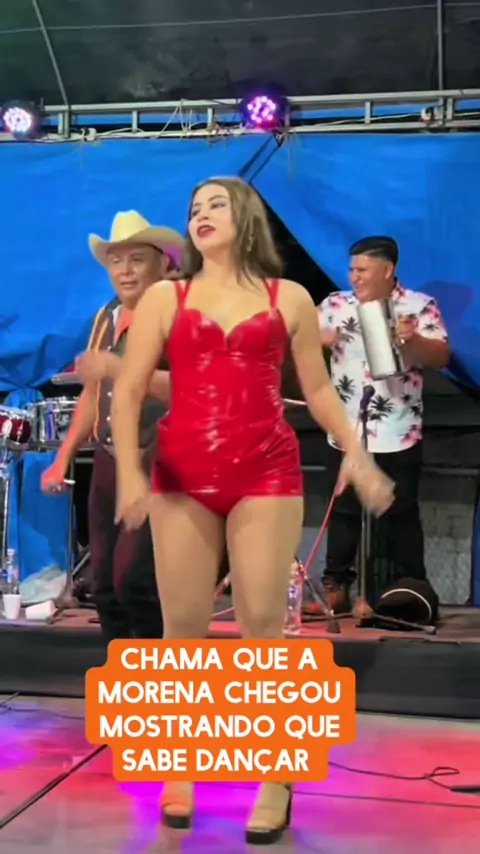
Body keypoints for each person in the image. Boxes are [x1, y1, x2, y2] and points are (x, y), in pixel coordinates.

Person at [110, 179, 394, 844]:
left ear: (246, 218)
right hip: (183, 471)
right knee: (182, 628)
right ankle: (178, 767)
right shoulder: (166, 297)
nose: (201, 215)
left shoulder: (286, 296)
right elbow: (128, 390)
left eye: (216, 204)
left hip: (265, 468)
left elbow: (316, 388)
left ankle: (276, 778)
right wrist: (127, 473)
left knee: (263, 626)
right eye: (194, 209)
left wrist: (356, 453)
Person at [41, 210, 184, 643]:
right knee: (102, 583)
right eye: (116, 260)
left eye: (137, 259)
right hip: (109, 458)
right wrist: (62, 458)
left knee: (135, 579)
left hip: (159, 457)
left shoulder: (180, 312)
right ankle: (125, 672)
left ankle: (158, 673)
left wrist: (121, 369)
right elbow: (92, 393)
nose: (124, 270)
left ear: (163, 263)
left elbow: (192, 387)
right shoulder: (106, 316)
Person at [310, 236, 450, 617]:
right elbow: (298, 340)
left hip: (398, 427)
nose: (353, 277)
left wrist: (412, 340)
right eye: (351, 269)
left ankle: (412, 590)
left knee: (400, 511)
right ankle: (335, 586)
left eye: (362, 270)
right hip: (345, 427)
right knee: (343, 508)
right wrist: (317, 338)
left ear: (387, 270)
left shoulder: (417, 306)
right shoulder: (336, 305)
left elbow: (440, 356)